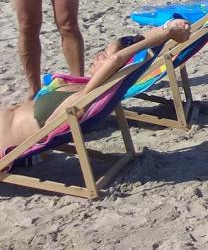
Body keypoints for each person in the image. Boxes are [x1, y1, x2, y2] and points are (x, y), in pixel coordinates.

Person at [0, 20, 190, 153]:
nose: (98, 56)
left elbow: (116, 58)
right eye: (101, 52)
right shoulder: (79, 87)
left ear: (113, 68)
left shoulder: (85, 99)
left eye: (103, 56)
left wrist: (167, 34)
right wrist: (166, 28)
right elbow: (119, 54)